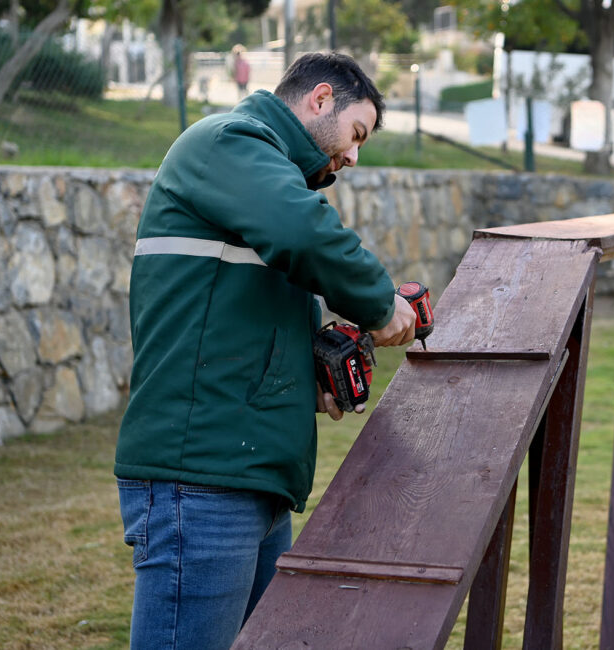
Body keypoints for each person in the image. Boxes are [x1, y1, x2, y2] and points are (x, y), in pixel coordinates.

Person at [114, 52, 416, 649]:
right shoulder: (227, 142)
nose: (353, 157)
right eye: (356, 134)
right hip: (200, 476)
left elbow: (244, 323)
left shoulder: (265, 180)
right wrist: (380, 304)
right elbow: (302, 232)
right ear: (320, 98)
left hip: (250, 477)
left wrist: (313, 375)